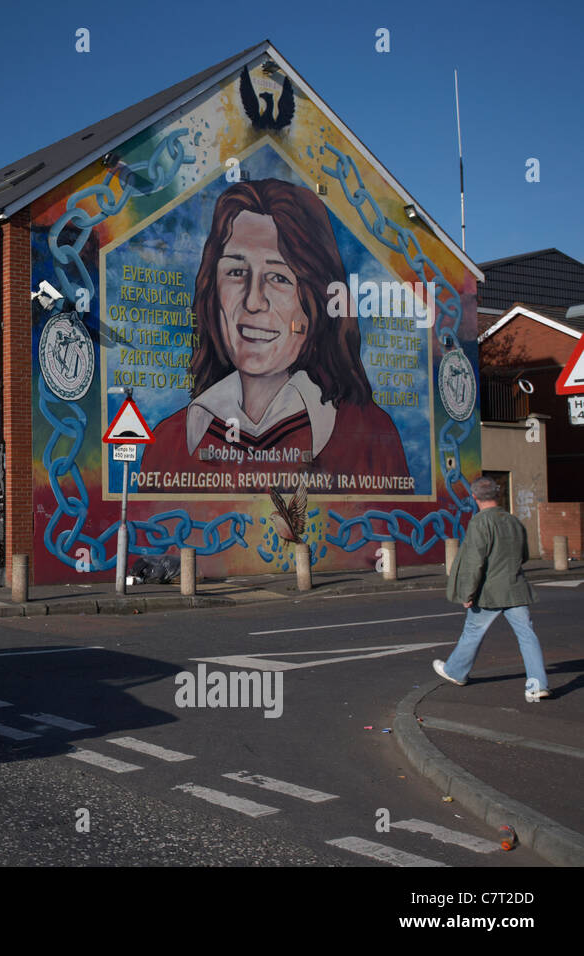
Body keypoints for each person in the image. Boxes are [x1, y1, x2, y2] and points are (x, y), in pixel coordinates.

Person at [149, 178, 409, 481]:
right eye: (236, 272)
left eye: (279, 277)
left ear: (315, 299)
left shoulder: (370, 436)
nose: (254, 301)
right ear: (212, 289)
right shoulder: (171, 441)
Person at [433, 476, 551, 702]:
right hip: (515, 588)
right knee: (527, 635)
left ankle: (456, 671)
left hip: (488, 592)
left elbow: (474, 562)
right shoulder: (514, 521)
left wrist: (467, 594)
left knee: (473, 632)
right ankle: (538, 685)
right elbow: (524, 555)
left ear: (474, 497)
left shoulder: (479, 522)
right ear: (497, 496)